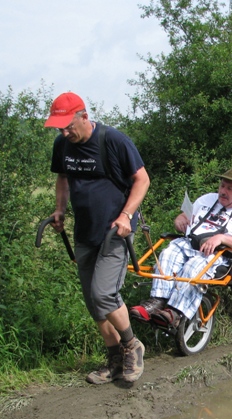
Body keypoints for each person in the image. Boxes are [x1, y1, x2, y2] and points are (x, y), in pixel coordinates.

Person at [44, 92, 150, 384]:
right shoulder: (62, 145)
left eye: (68, 126)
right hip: (85, 231)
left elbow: (142, 179)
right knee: (94, 304)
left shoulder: (113, 141)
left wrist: (127, 215)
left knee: (104, 294)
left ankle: (132, 345)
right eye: (59, 128)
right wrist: (60, 210)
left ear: (84, 117)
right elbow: (63, 178)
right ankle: (115, 359)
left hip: (116, 231)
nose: (64, 132)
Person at [130, 167, 232, 328]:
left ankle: (175, 312)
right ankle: (157, 302)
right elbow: (185, 216)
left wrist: (221, 238)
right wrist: (180, 220)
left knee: (194, 266)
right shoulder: (206, 200)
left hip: (218, 254)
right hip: (190, 243)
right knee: (168, 254)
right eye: (222, 186)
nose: (223, 191)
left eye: (230, 188)